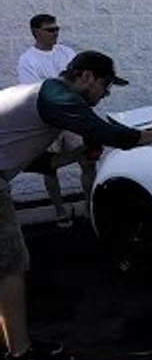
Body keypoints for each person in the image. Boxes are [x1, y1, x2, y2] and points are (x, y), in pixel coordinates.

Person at [0, 51, 152, 360]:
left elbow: (41, 164)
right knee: (10, 264)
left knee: (4, 265)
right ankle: (19, 356)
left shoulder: (41, 103)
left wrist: (79, 153)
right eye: (105, 85)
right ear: (86, 76)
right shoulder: (55, 94)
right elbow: (112, 134)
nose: (106, 93)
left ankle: (13, 344)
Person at [16, 14, 95, 227]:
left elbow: (80, 80)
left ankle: (89, 207)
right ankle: (60, 211)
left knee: (88, 160)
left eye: (57, 29)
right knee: (49, 168)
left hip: (72, 119)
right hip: (45, 122)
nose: (56, 33)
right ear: (36, 32)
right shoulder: (28, 59)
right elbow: (38, 92)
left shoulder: (67, 52)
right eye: (50, 30)